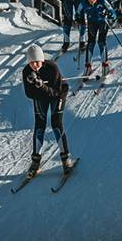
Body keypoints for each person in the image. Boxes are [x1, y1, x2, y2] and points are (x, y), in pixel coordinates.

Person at [22, 44, 75, 177]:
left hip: (58, 94)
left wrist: (41, 86)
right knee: (40, 125)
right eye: (31, 62)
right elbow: (29, 94)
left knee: (56, 123)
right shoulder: (26, 71)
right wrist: (34, 85)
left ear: (42, 60)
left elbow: (55, 92)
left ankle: (66, 159)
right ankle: (35, 161)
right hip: (41, 96)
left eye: (37, 61)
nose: (34, 65)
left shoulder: (52, 68)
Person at [76, 0, 117, 77]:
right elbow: (78, 13)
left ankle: (105, 65)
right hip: (91, 23)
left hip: (102, 22)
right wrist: (79, 19)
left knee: (101, 42)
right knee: (91, 43)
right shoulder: (83, 3)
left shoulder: (102, 1)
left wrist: (109, 14)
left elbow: (113, 13)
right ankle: (88, 66)